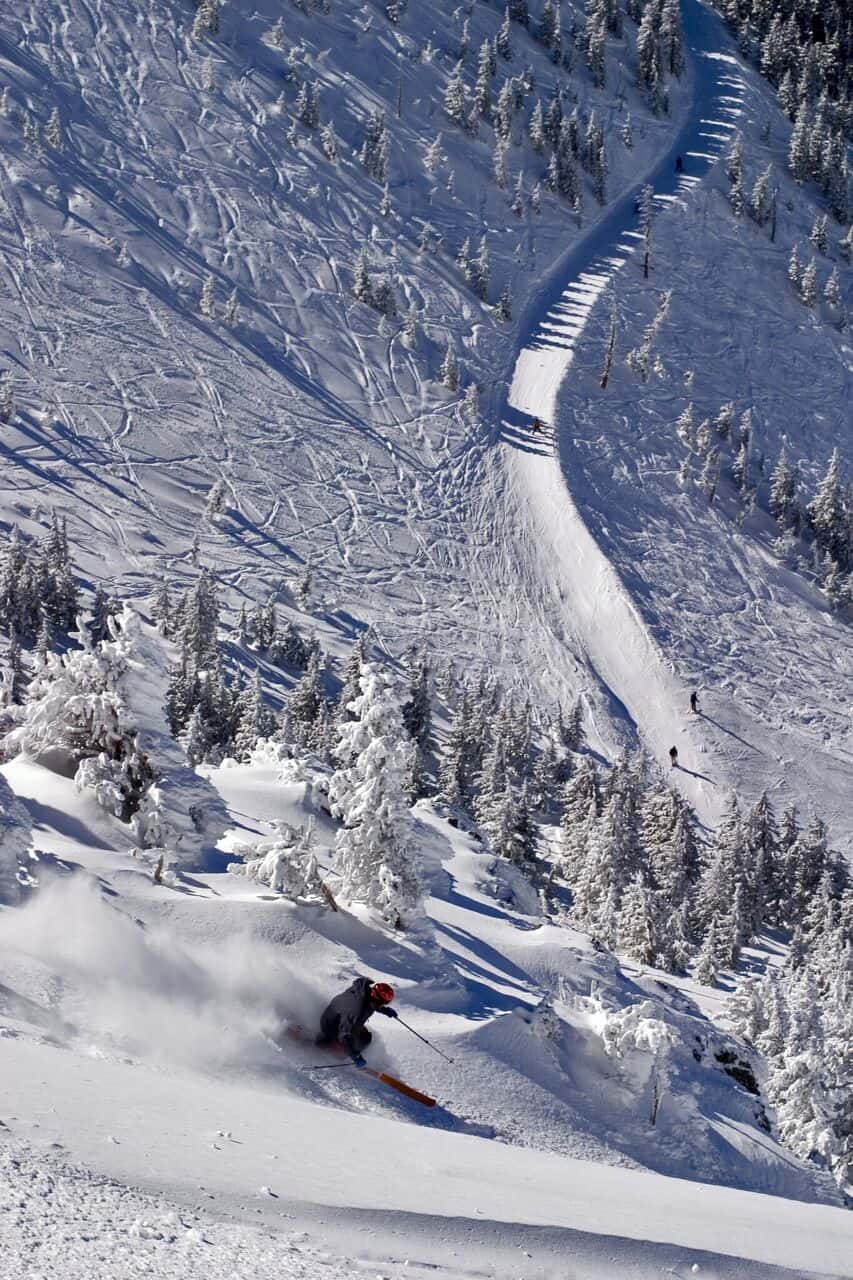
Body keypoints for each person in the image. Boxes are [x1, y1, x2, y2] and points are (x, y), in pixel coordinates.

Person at [316, 977, 397, 1066]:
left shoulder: (362, 991)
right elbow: (344, 1035)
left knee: (365, 1035)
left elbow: (371, 1002)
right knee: (362, 1042)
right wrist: (355, 1055)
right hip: (331, 1026)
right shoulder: (357, 1010)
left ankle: (333, 1043)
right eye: (383, 1003)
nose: (383, 1005)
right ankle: (325, 1045)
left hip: (335, 1017)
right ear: (377, 999)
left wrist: (385, 1010)